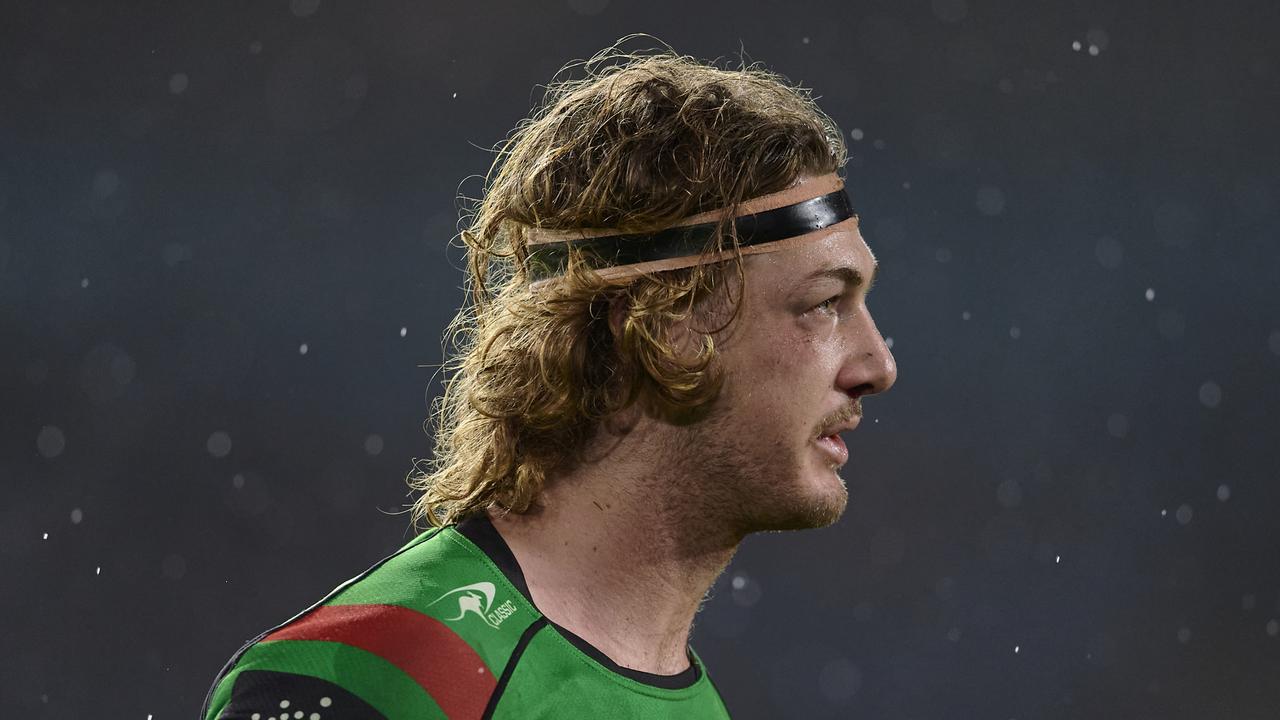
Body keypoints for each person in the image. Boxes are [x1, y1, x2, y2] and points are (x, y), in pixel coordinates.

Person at [202, 37, 896, 720]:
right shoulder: (373, 680)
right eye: (823, 304)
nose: (878, 366)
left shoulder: (696, 707)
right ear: (654, 325)